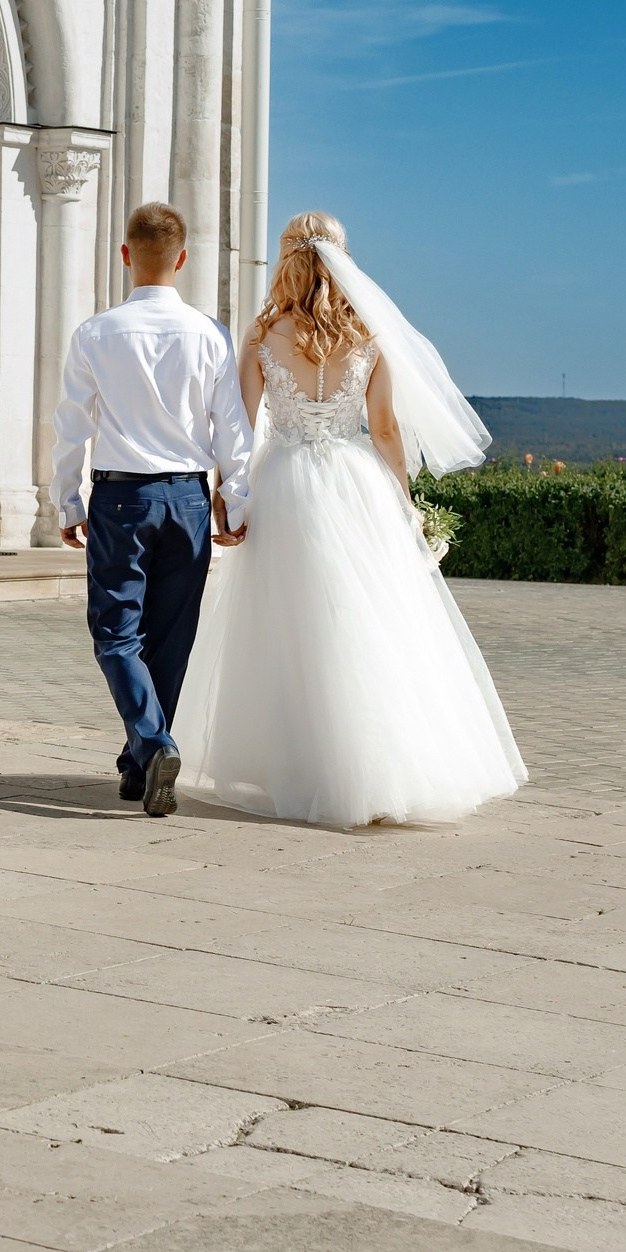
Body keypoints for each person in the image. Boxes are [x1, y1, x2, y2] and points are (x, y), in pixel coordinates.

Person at [175, 211, 526, 826]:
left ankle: (307, 766)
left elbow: (236, 427)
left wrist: (226, 495)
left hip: (283, 481)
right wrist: (405, 501)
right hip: (354, 480)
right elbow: (385, 428)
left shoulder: (262, 337)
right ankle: (379, 767)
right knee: (370, 615)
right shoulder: (368, 336)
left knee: (293, 624)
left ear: (285, 259)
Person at [51, 202, 253, 817]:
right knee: (168, 640)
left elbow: (70, 426)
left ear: (125, 256)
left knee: (116, 636)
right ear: (182, 259)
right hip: (188, 499)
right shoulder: (211, 333)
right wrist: (235, 500)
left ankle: (153, 743)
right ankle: (139, 765)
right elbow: (233, 427)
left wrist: (67, 499)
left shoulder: (96, 332)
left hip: (121, 497)